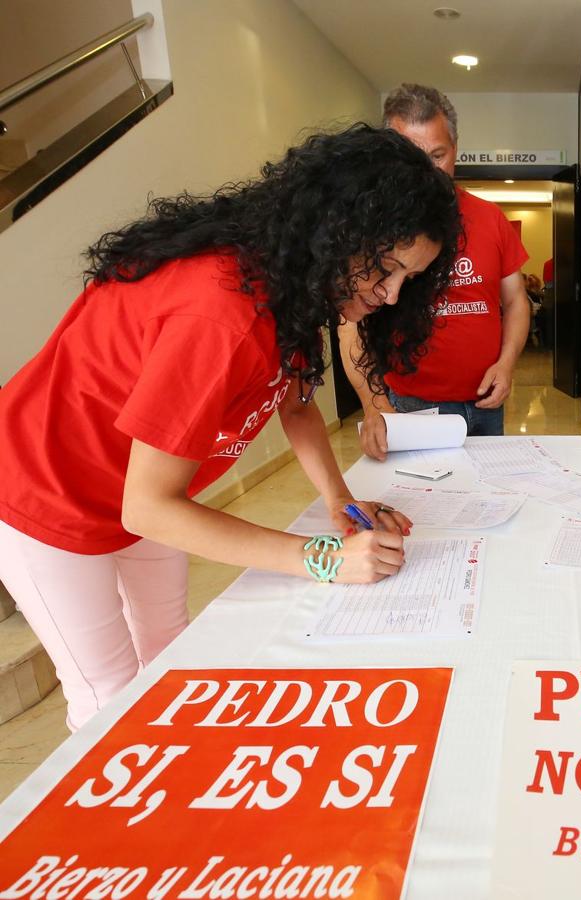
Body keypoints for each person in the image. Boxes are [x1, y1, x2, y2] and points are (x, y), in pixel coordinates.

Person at [0, 124, 461, 730]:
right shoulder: (220, 313)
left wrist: (342, 504)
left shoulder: (295, 285)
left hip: (139, 488)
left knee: (171, 650)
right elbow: (149, 508)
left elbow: (295, 404)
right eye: (387, 267)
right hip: (45, 495)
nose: (393, 294)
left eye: (411, 277)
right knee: (107, 695)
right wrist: (324, 559)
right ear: (338, 231)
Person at [340, 83, 530, 460]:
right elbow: (350, 323)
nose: (427, 171)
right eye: (412, 157)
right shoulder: (371, 230)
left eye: (438, 155)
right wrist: (373, 401)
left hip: (485, 402)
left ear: (456, 150)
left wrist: (506, 365)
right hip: (410, 405)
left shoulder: (490, 219)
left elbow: (517, 301)